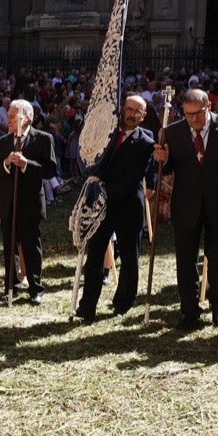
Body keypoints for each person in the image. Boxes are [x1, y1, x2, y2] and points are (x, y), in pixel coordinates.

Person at [152, 87, 218, 330]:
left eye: (198, 113)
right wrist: (162, 158)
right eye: (188, 114)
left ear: (208, 107)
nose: (194, 119)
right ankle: (189, 309)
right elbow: (170, 167)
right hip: (186, 204)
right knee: (185, 260)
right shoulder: (172, 131)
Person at [74, 95, 154, 321]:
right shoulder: (105, 134)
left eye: (137, 112)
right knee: (95, 255)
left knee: (130, 256)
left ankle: (123, 303)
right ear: (122, 109)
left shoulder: (145, 142)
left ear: (143, 116)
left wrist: (105, 192)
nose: (131, 114)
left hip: (128, 205)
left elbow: (133, 178)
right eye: (128, 109)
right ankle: (87, 306)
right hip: (100, 206)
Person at [0, 98, 58, 303]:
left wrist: (26, 164)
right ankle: (10, 286)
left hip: (29, 202)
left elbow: (50, 170)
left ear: (26, 118)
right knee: (9, 246)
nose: (8, 119)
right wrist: (6, 163)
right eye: (8, 116)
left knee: (31, 244)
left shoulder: (43, 139)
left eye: (13, 116)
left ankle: (35, 288)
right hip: (7, 202)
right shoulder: (3, 142)